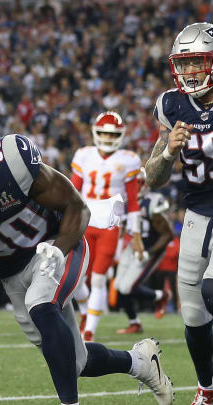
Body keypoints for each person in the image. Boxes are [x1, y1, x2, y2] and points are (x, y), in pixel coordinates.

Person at [0, 114, 173, 405]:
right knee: (74, 362)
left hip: (57, 245)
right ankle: (140, 362)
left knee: (41, 304)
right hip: (12, 272)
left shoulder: (9, 165)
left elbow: (76, 206)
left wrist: (59, 249)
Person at [146, 22, 213, 405]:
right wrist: (169, 151)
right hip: (196, 214)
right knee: (192, 313)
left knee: (212, 290)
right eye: (185, 64)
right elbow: (153, 177)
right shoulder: (171, 105)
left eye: (199, 62)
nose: (190, 72)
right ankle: (207, 388)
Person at [69, 111, 144, 342]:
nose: (107, 138)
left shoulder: (128, 159)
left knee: (99, 278)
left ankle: (89, 331)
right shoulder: (84, 155)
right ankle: (85, 314)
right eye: (103, 133)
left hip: (110, 226)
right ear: (95, 132)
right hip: (85, 221)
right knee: (77, 278)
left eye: (112, 134)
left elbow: (132, 201)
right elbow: (72, 191)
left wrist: (137, 234)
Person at [114, 171, 173, 334]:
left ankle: (162, 295)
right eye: (134, 183)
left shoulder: (152, 203)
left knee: (127, 287)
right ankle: (135, 323)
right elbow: (123, 227)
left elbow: (167, 235)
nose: (136, 186)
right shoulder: (125, 201)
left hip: (152, 247)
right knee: (118, 285)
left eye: (139, 183)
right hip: (134, 244)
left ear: (146, 184)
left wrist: (150, 251)